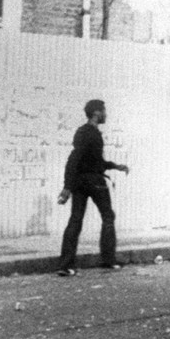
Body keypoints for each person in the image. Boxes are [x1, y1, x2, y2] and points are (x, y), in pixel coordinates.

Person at [56, 99, 129, 276]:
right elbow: (76, 159)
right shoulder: (92, 134)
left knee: (75, 220)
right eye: (104, 111)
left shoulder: (82, 132)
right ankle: (109, 260)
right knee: (108, 216)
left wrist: (114, 166)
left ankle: (65, 265)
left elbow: (86, 160)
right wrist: (66, 187)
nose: (106, 114)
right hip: (95, 181)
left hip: (80, 182)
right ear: (97, 113)